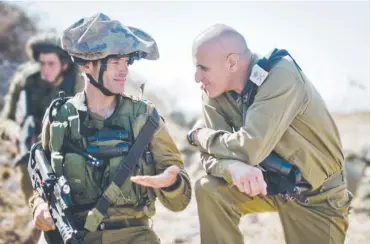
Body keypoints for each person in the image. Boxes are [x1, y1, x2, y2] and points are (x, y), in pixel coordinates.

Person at [30, 13, 191, 244]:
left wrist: (172, 182)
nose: (124, 70)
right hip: (72, 236)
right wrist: (39, 207)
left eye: (126, 62)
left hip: (134, 236)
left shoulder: (146, 118)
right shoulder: (59, 117)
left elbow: (180, 201)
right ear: (87, 65)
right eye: (115, 62)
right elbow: (43, 183)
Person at [187, 24, 353, 244]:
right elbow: (210, 156)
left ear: (232, 63)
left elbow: (249, 148)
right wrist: (232, 167)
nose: (196, 77)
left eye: (203, 68)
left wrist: (200, 136)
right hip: (266, 184)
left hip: (315, 196)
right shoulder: (214, 92)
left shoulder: (280, 75)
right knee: (209, 190)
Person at [0, 32, 84, 203]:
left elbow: (87, 120)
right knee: (32, 195)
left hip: (65, 147)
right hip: (30, 148)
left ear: (65, 65)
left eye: (51, 64)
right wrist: (16, 131)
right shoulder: (25, 81)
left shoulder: (77, 82)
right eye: (42, 63)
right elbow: (5, 121)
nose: (45, 69)